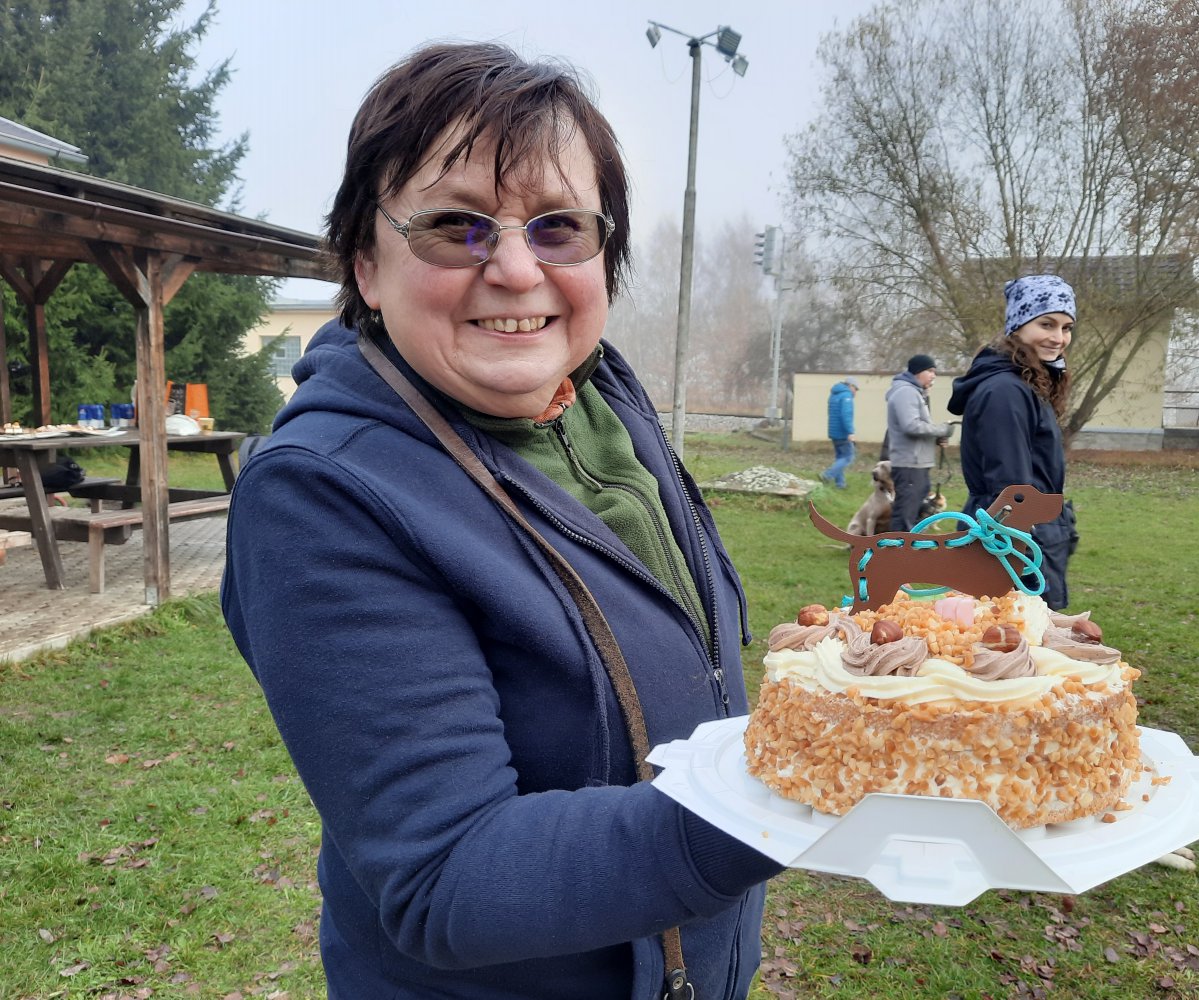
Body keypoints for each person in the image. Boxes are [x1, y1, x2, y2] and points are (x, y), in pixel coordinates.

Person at [221, 43, 781, 1000]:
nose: (518, 270)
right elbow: (447, 874)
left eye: (559, 227)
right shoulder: (321, 493)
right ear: (365, 264)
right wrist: (796, 793)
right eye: (456, 227)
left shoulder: (601, 399)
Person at [947, 273, 1079, 609]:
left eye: (1066, 328)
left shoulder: (1025, 384)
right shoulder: (1006, 392)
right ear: (1018, 325)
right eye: (1047, 324)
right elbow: (1011, 494)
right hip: (1013, 542)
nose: (1059, 338)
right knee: (1016, 633)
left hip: (1030, 535)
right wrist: (1023, 559)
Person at [883, 354, 953, 530]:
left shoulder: (914, 392)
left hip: (917, 463)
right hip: (910, 464)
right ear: (917, 371)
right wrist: (941, 430)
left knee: (912, 513)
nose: (933, 375)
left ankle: (906, 545)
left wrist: (936, 438)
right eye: (930, 371)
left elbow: (917, 427)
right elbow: (911, 426)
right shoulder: (906, 392)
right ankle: (898, 547)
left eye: (934, 372)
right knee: (905, 514)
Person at [820, 376, 858, 488]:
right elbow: (846, 415)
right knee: (848, 457)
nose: (856, 392)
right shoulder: (846, 396)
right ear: (851, 386)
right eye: (856, 389)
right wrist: (850, 432)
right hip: (842, 432)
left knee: (840, 458)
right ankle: (827, 475)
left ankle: (840, 484)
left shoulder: (834, 394)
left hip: (833, 431)